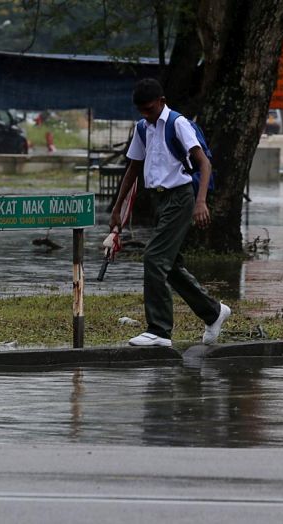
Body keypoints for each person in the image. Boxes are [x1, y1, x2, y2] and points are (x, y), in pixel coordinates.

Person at [110, 78, 231, 348]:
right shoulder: (143, 128)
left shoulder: (178, 124)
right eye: (141, 110)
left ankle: (159, 330)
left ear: (162, 102)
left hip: (181, 197)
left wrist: (201, 202)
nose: (146, 115)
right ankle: (213, 312)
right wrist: (118, 209)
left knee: (153, 257)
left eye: (150, 109)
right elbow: (133, 168)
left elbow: (204, 163)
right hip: (159, 200)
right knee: (170, 266)